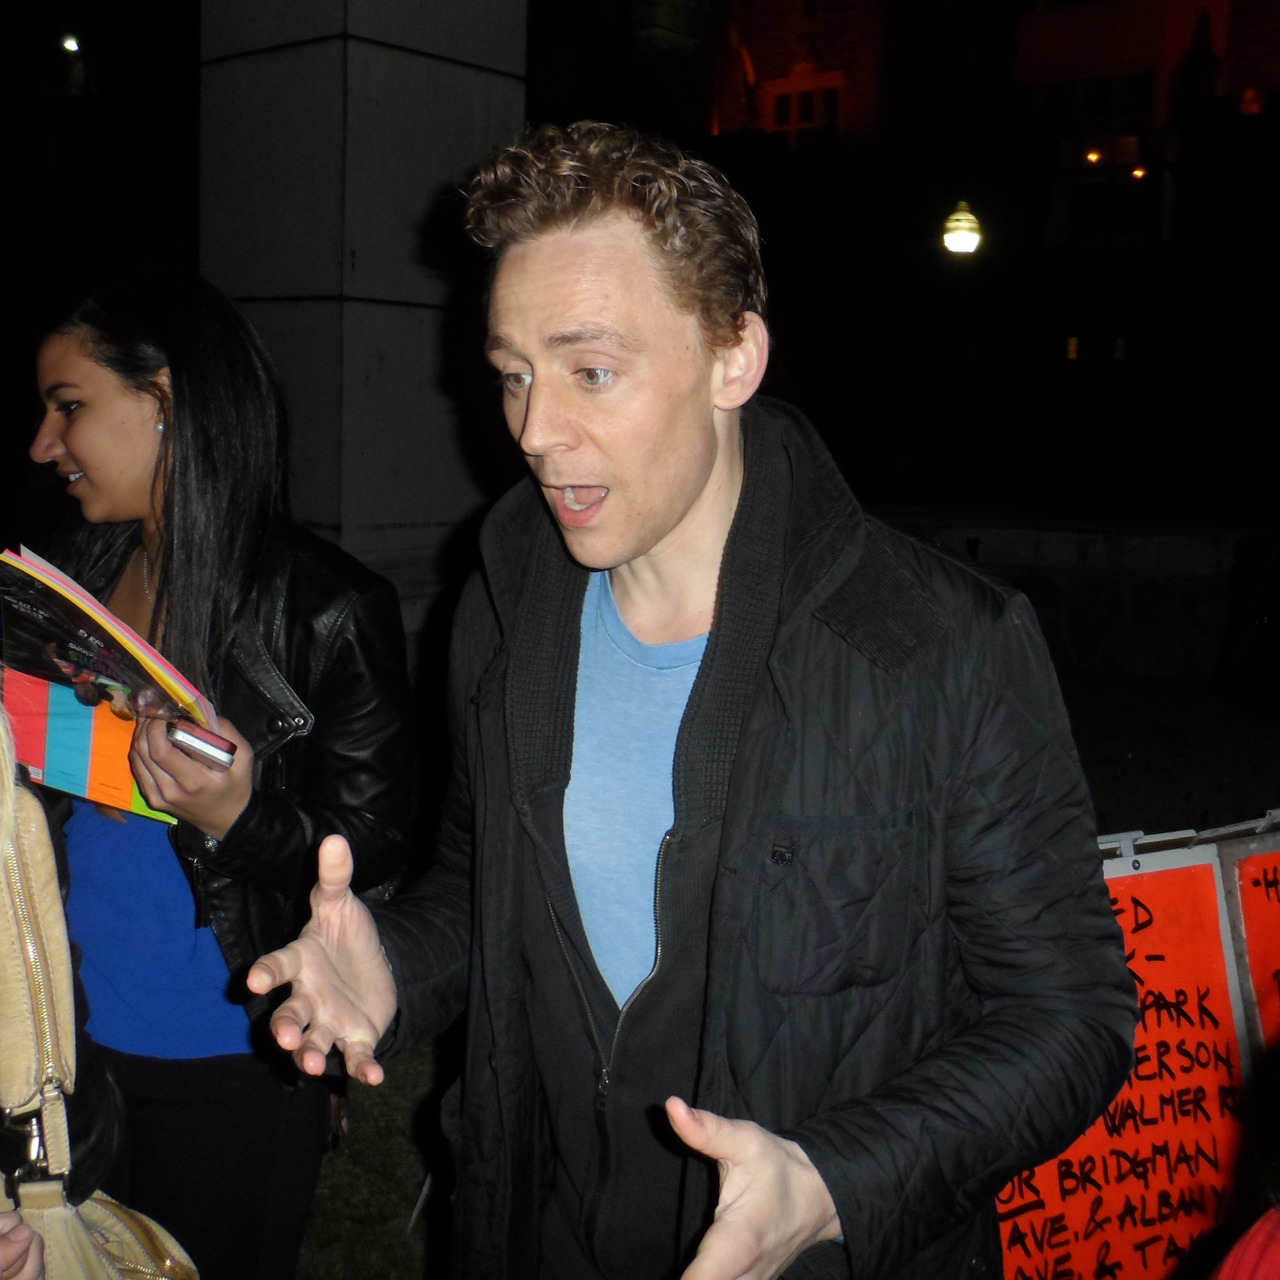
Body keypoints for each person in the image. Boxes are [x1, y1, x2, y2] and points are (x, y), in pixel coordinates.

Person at [249, 121, 1138, 1280]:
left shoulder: (935, 643)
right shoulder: (501, 609)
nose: (534, 431)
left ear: (733, 358)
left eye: (590, 371)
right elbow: (482, 891)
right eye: (513, 374)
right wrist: (394, 968)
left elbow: (1069, 1017)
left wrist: (834, 1179)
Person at [26, 271, 413, 1280]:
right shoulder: (66, 578)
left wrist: (241, 816)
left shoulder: (326, 609)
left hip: (231, 1057)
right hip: (63, 1045)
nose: (43, 444)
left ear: (163, 401)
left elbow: (376, 852)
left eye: (69, 407)